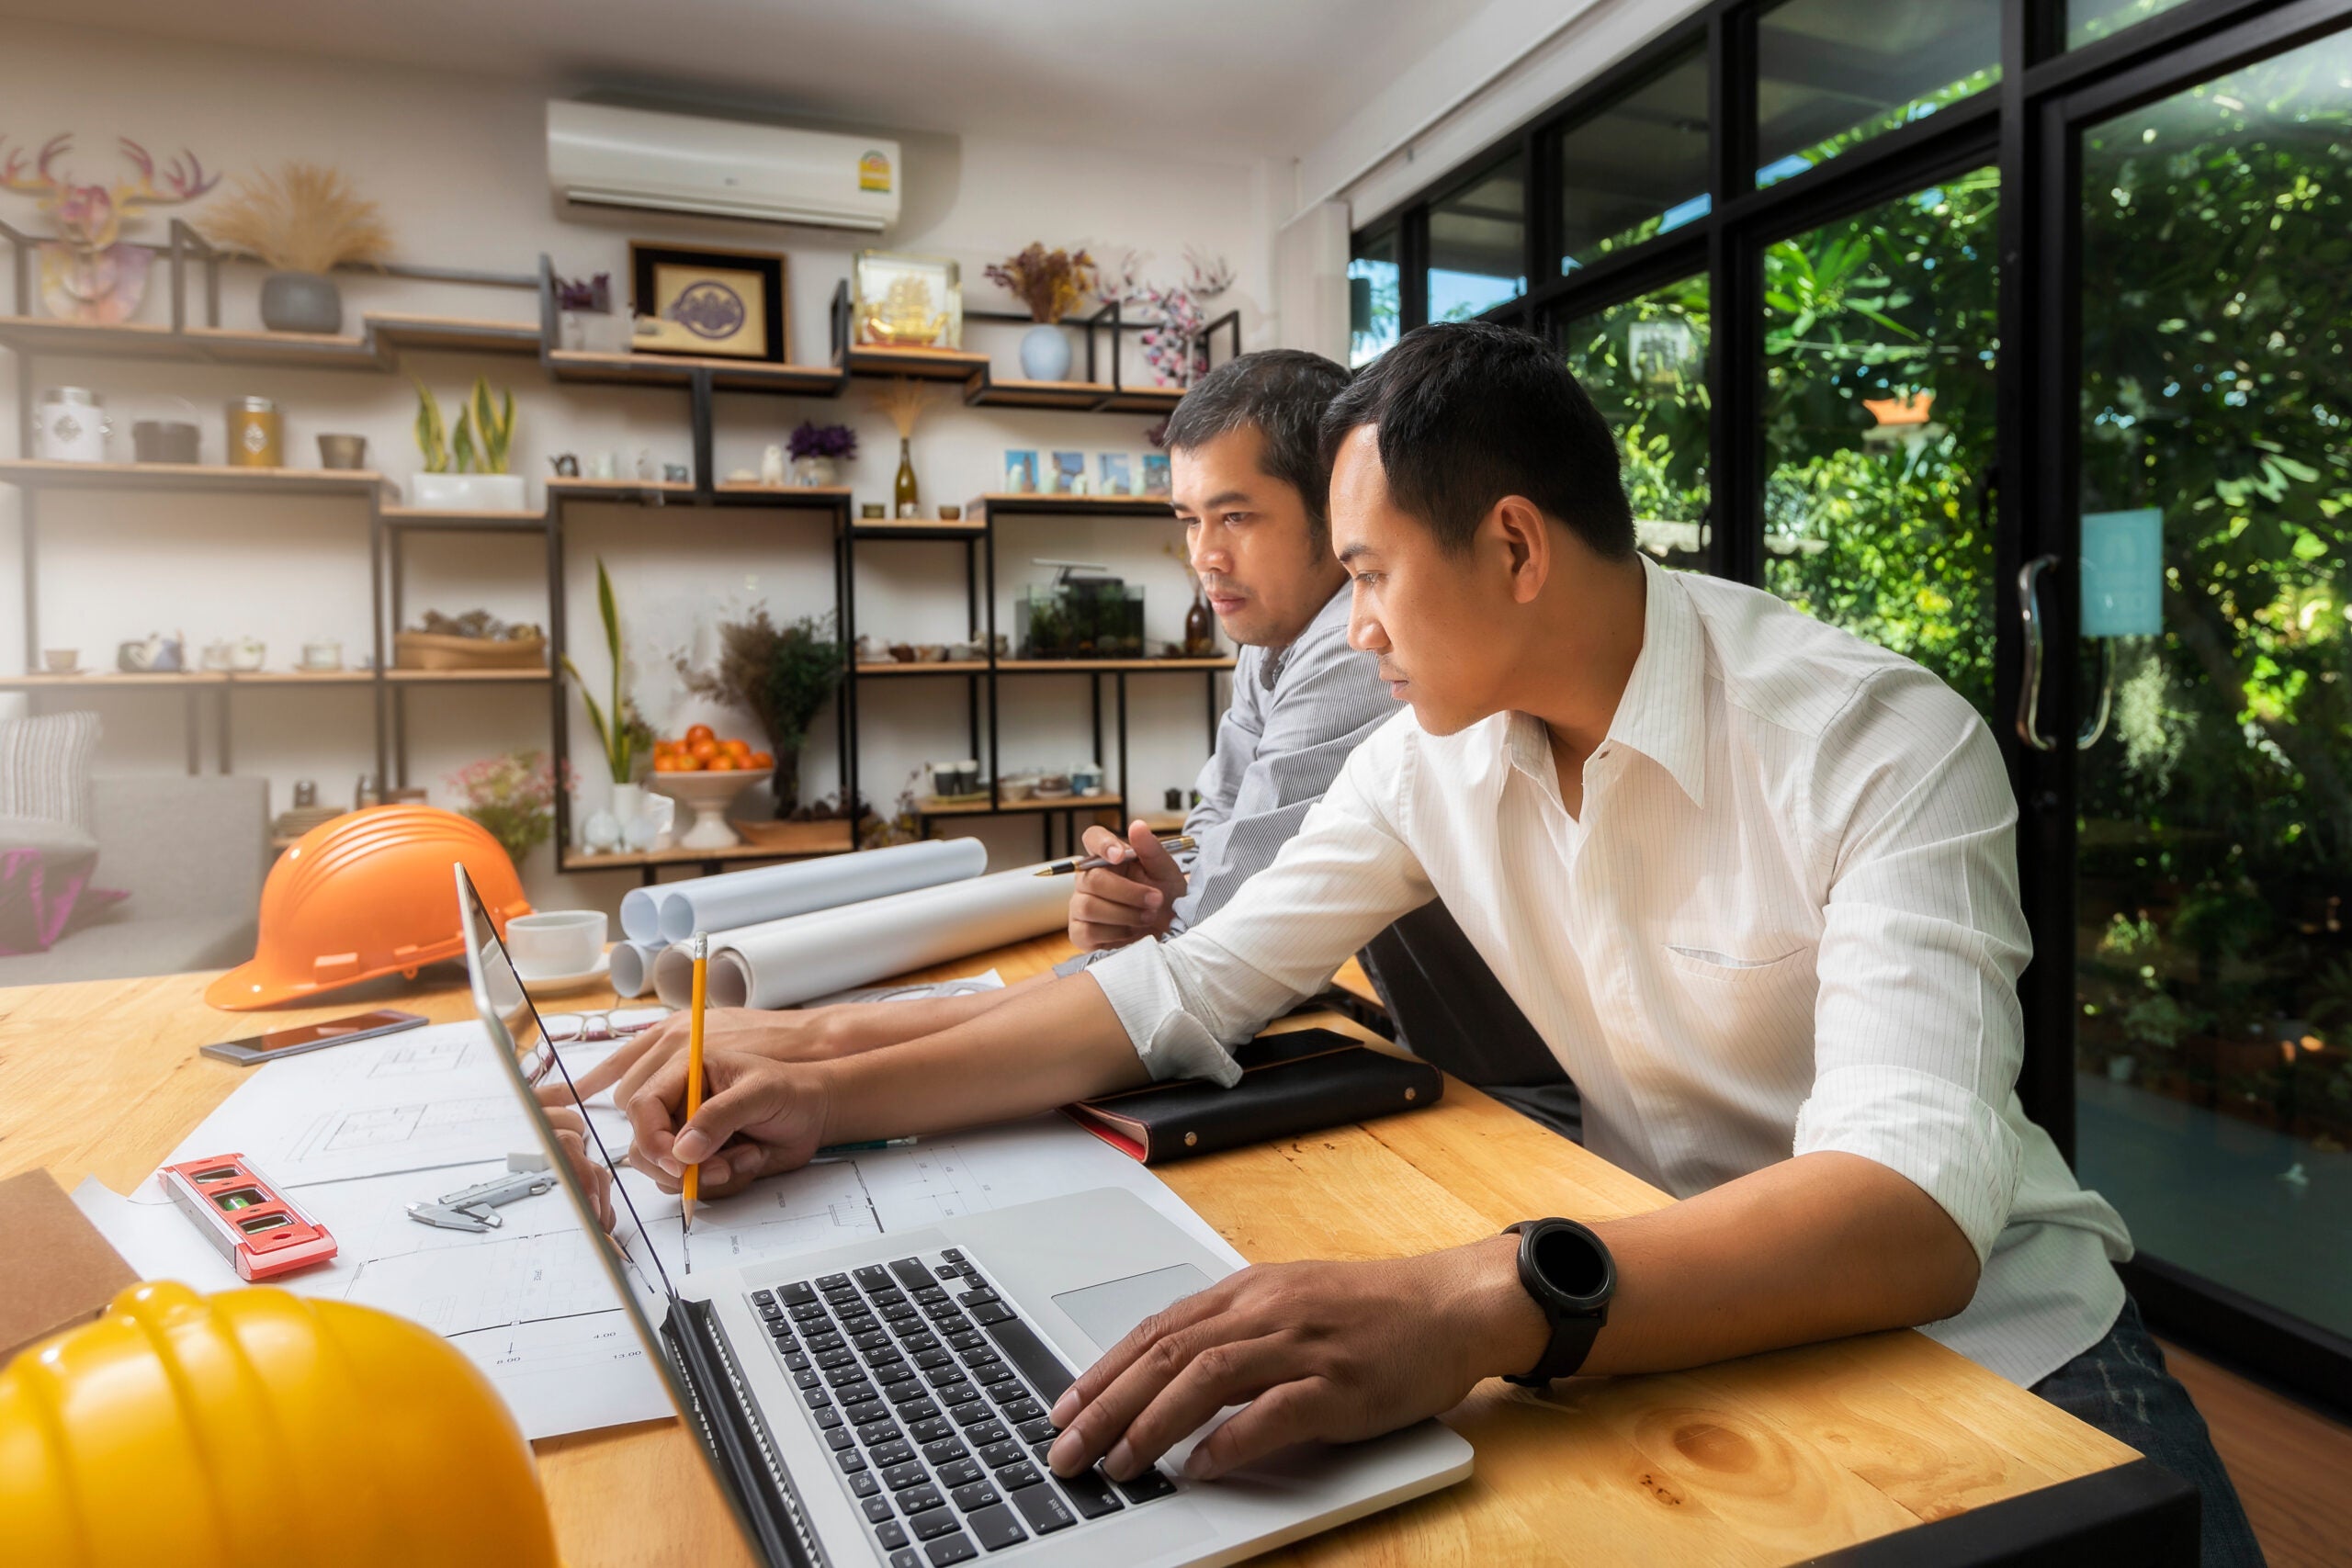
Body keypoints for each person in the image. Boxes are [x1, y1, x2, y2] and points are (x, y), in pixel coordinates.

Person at [613, 320, 2257, 1562]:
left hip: (2006, 1349)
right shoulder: (1432, 756)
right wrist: (833, 1086)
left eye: (1372, 576)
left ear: (1518, 546)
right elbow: (1189, 985)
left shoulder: (1879, 740)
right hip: (1669, 1317)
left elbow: (1916, 1212)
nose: (1358, 626)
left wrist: (1475, 1301)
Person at [575, 347, 1573, 1141]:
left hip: (1511, 1105)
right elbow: (1210, 885)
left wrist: (818, 1044)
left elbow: (1209, 959)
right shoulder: (1276, 644)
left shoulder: (1362, 658)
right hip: (1439, 1060)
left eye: (1236, 517)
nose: (1203, 560)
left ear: (1333, 512)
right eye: (1188, 521)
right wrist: (1157, 903)